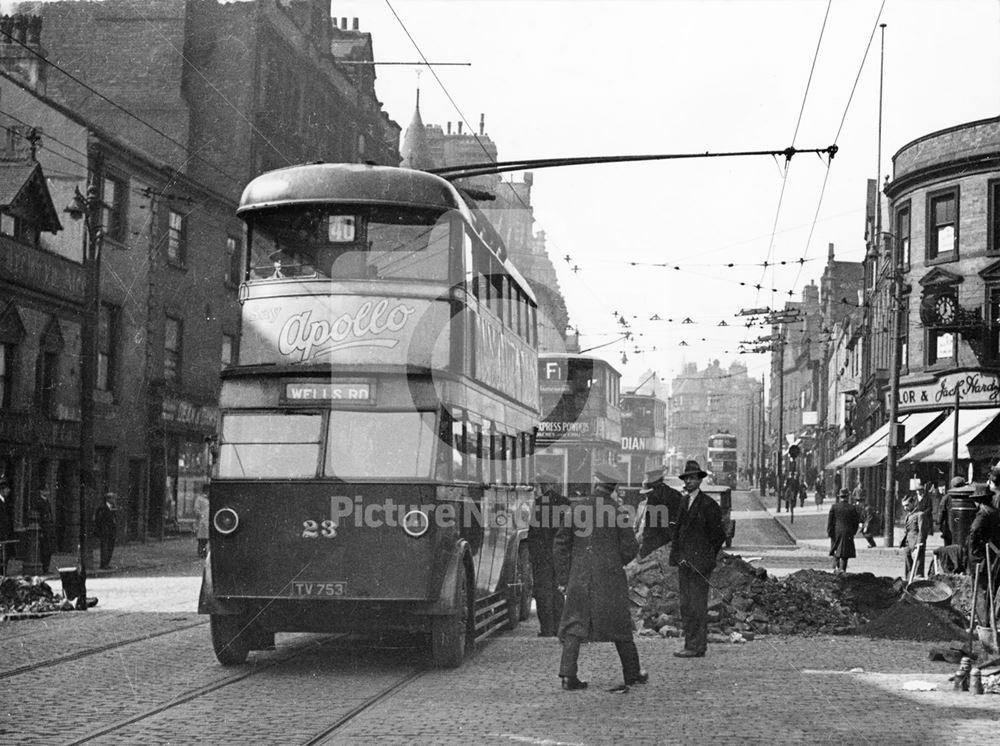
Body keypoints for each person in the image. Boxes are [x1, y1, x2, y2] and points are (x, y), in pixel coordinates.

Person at [554, 464, 647, 692]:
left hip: (580, 578)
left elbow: (560, 546)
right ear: (614, 487)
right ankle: (632, 673)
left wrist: (565, 577)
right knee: (621, 628)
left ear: (596, 482)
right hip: (610, 579)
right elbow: (630, 547)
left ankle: (568, 675)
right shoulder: (618, 512)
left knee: (575, 625)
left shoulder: (575, 509)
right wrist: (616, 562)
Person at [670, 460, 726, 659]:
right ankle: (690, 643)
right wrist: (677, 556)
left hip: (700, 564)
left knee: (697, 605)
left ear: (700, 480)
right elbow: (677, 532)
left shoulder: (708, 505)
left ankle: (697, 645)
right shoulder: (683, 502)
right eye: (687, 478)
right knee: (685, 605)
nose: (690, 481)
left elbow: (718, 536)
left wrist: (705, 556)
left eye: (693, 478)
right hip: (684, 563)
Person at [528, 473, 569, 637]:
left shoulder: (538, 504)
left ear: (545, 486)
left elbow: (533, 533)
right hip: (560, 554)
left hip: (542, 555)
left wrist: (533, 555)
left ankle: (547, 628)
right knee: (558, 590)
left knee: (543, 591)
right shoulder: (565, 503)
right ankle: (559, 626)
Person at [968, 481, 1000, 625]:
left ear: (978, 501)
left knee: (980, 591)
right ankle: (990, 621)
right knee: (990, 590)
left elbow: (974, 532)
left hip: (982, 559)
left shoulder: (982, 515)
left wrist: (975, 553)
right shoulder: (995, 512)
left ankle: (983, 624)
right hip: (994, 557)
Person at [637, 466, 683, 560]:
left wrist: (643, 552)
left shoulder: (654, 497)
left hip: (656, 545)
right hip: (673, 543)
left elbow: (652, 528)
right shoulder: (675, 493)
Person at [827, 488, 860, 573]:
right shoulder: (852, 508)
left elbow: (830, 522)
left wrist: (830, 533)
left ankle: (835, 568)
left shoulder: (834, 507)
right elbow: (856, 522)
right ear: (847, 497)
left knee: (836, 550)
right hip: (847, 533)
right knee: (845, 553)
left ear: (840, 497)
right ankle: (842, 570)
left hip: (836, 532)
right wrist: (853, 532)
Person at [900, 493, 929, 580]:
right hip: (907, 543)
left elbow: (922, 532)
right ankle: (908, 581)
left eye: (907, 505)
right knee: (908, 566)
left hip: (916, 543)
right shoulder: (908, 515)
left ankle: (917, 582)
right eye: (904, 506)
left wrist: (918, 545)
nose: (905, 508)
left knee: (918, 566)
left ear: (913, 503)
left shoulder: (920, 515)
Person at [33, 487, 56, 574]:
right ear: (41, 491)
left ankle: (47, 567)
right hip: (43, 529)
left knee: (49, 549)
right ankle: (44, 568)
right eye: (45, 490)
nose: (47, 492)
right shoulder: (39, 502)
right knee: (44, 549)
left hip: (49, 529)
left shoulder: (47, 501)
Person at [93, 492, 118, 570]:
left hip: (111, 532)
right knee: (105, 548)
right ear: (108, 499)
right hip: (105, 531)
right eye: (113, 498)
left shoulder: (113, 507)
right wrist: (102, 529)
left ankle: (107, 563)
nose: (114, 500)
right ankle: (103, 564)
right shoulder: (102, 508)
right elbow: (99, 520)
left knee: (110, 547)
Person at [0, 476, 16, 575]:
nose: (8, 491)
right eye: (7, 489)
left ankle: (3, 574)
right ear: (2, 490)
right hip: (1, 534)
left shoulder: (5, 502)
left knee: (4, 557)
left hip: (5, 534)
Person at [195, 484, 210, 559]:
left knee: (206, 538)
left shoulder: (209, 498)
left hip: (208, 520)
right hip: (203, 521)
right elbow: (196, 509)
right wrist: (202, 515)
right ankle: (201, 552)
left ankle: (205, 552)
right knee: (202, 538)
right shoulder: (200, 498)